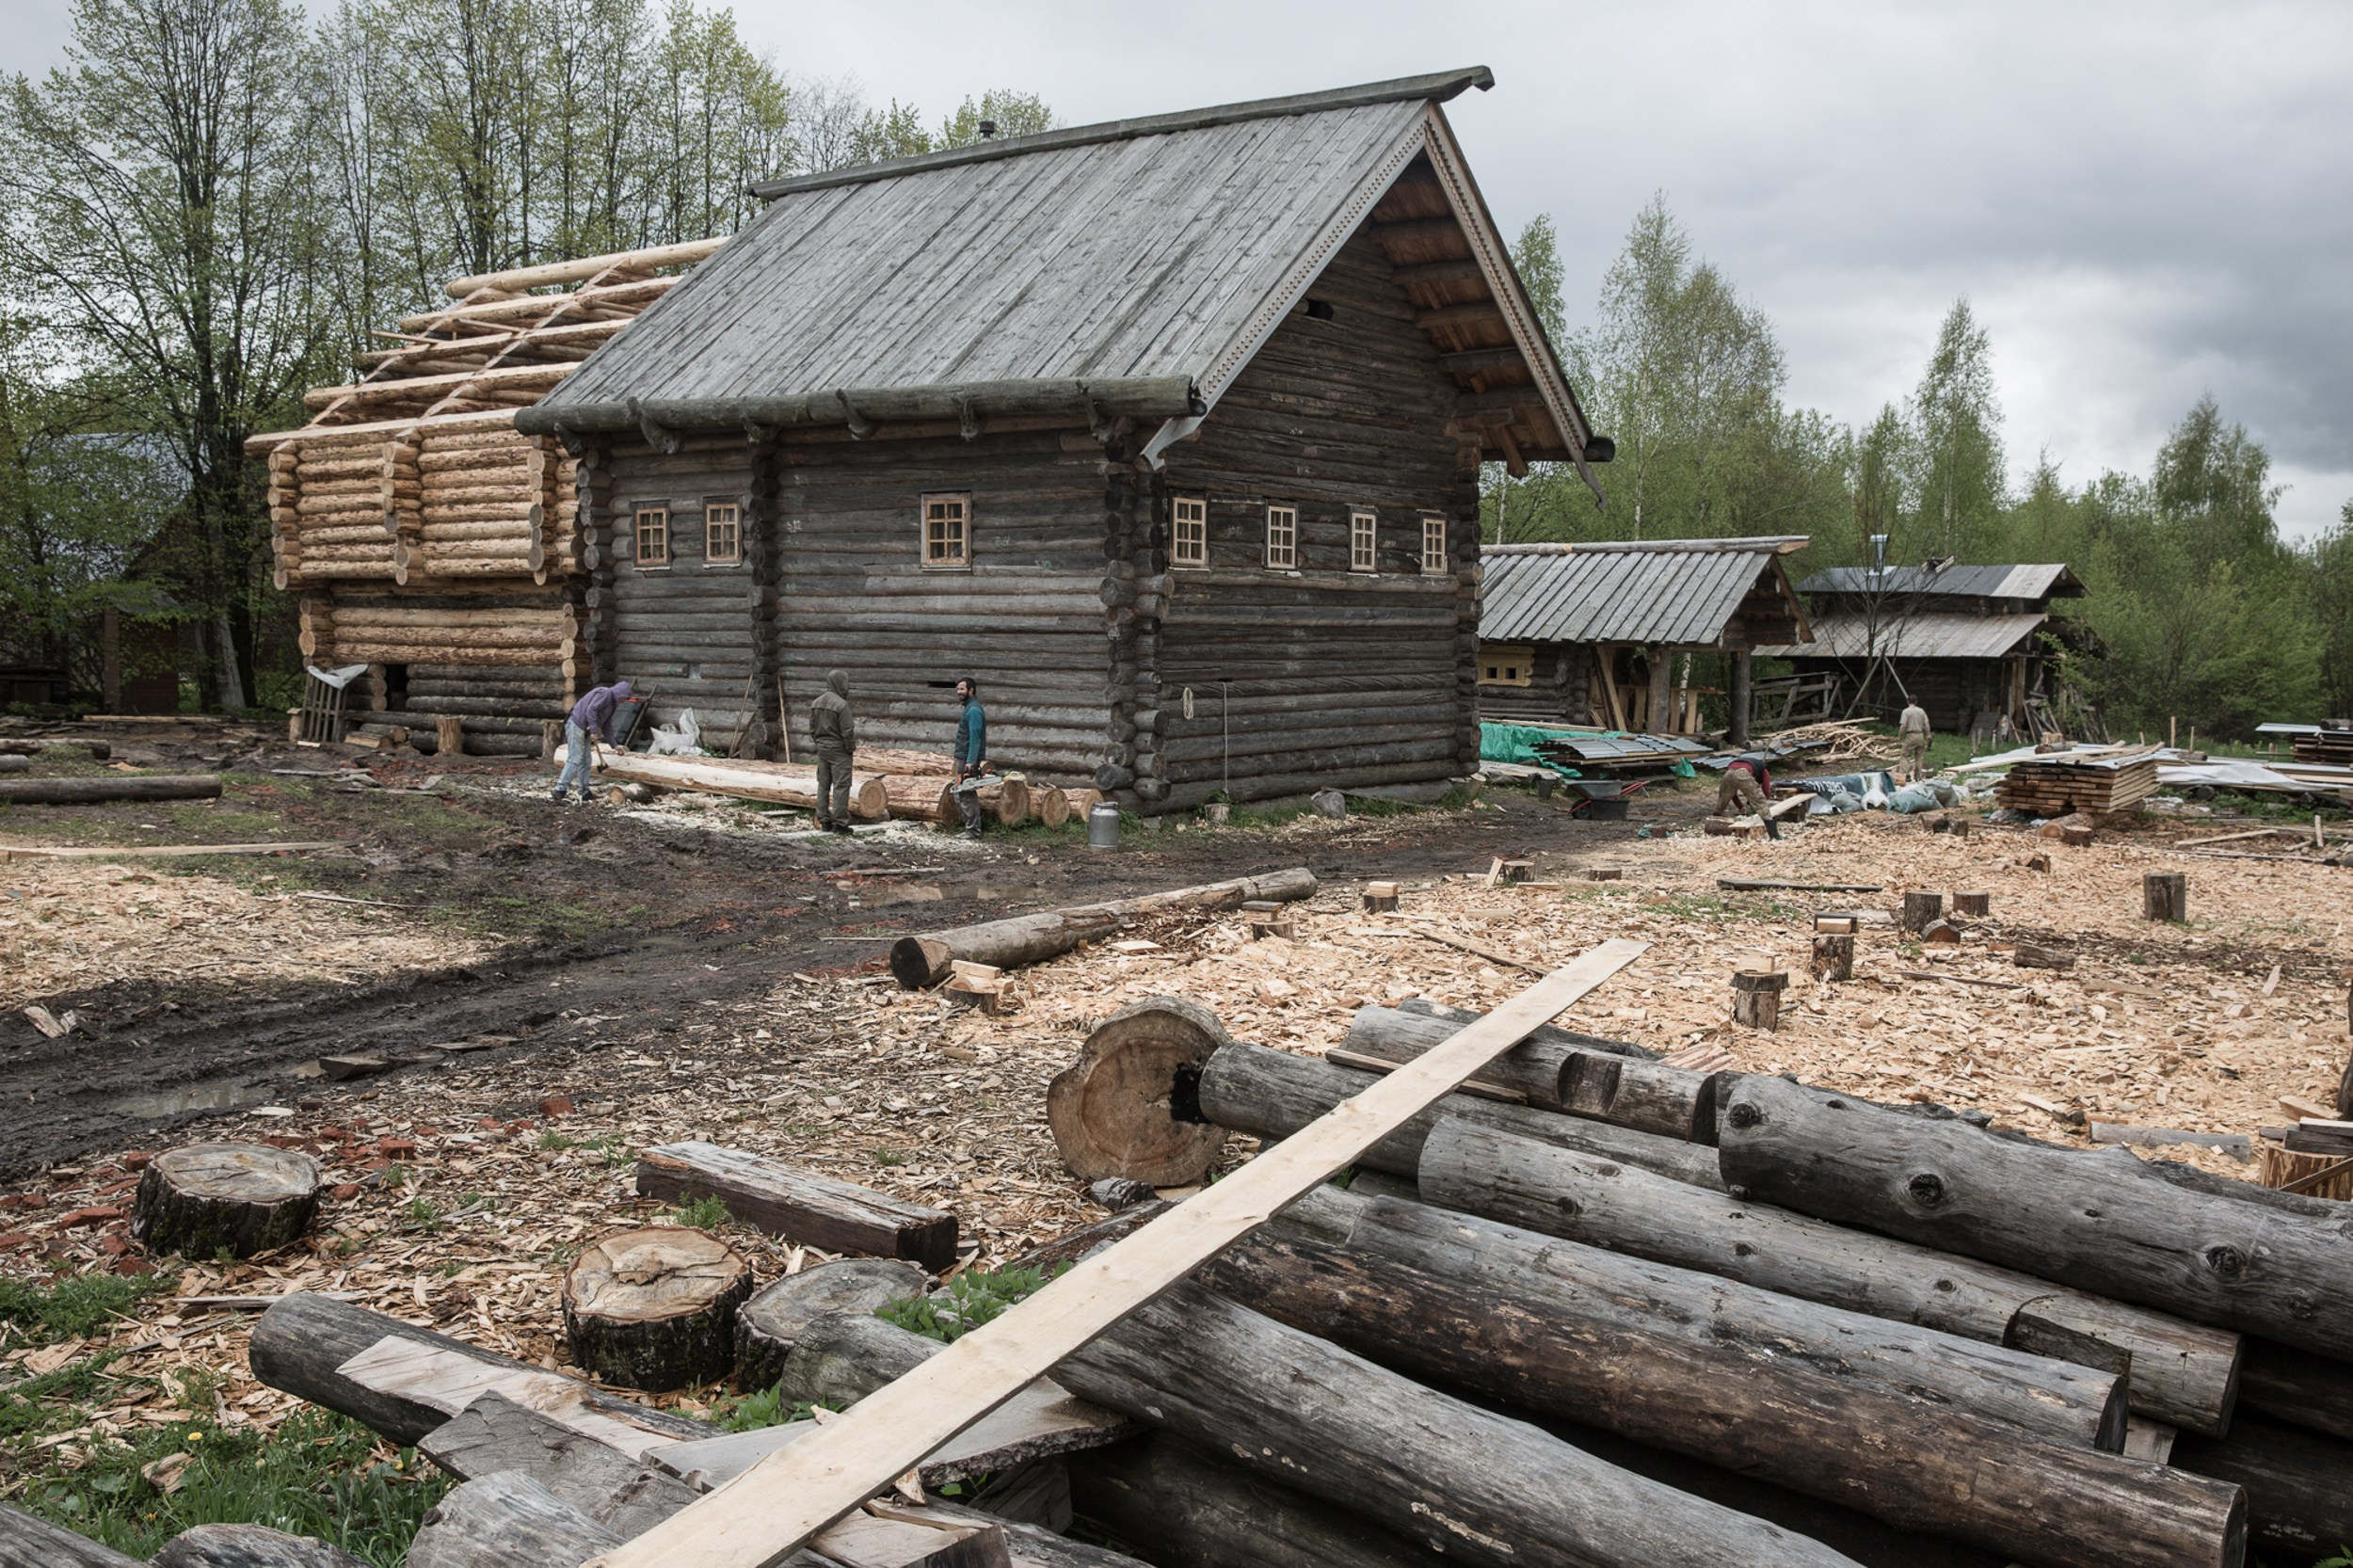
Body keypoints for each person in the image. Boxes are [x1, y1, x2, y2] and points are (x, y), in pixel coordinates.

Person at [553, 680, 632, 803]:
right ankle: (560, 789)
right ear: (619, 694)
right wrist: (594, 730)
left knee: (586, 760)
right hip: (576, 724)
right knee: (575, 758)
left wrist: (615, 745)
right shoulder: (605, 694)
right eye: (625, 698)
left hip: (584, 729)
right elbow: (591, 710)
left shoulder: (613, 704)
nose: (625, 701)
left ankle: (583, 791)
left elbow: (607, 725)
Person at [808, 669, 857, 834]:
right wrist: (850, 748)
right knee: (841, 785)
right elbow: (848, 731)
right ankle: (840, 823)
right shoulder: (841, 705)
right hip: (839, 749)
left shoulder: (816, 702)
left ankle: (824, 820)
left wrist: (819, 743)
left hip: (822, 748)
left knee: (823, 785)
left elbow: (812, 728)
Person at [950, 677, 987, 839]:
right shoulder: (969, 708)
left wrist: (971, 762)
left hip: (967, 758)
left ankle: (972, 830)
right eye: (958, 689)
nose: (959, 692)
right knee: (963, 791)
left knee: (966, 792)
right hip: (964, 756)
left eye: (962, 689)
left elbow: (975, 738)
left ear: (971, 690)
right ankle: (969, 827)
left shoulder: (973, 710)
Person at [1716, 752, 1781, 840]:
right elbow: (1766, 788)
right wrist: (1764, 800)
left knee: (1722, 800)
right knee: (1760, 801)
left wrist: (1740, 807)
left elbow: (1732, 794)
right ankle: (1774, 835)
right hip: (1743, 772)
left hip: (1729, 772)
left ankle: (1714, 820)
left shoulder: (1749, 764)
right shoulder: (1764, 769)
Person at [1898, 699, 1932, 784]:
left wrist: (1900, 736)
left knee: (1905, 754)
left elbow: (1904, 725)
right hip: (1920, 735)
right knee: (1919, 756)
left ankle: (1906, 775)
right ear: (1916, 702)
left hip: (1911, 735)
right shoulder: (1921, 711)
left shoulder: (1906, 711)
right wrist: (1928, 734)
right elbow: (1926, 723)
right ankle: (1918, 776)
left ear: (1907, 702)